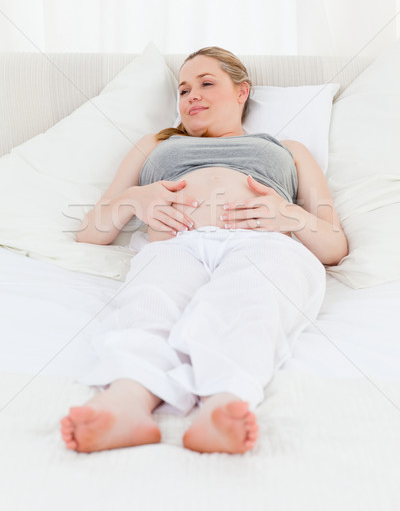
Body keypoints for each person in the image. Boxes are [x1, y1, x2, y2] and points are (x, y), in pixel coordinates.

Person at [60, 47, 348, 455]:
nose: (191, 95)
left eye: (206, 83)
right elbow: (90, 233)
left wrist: (288, 214)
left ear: (241, 92)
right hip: (176, 243)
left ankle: (224, 402)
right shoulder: (155, 145)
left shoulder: (288, 149)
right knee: (150, 301)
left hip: (261, 243)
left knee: (252, 299)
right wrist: (134, 200)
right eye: (183, 89)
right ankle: (126, 402)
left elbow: (334, 246)